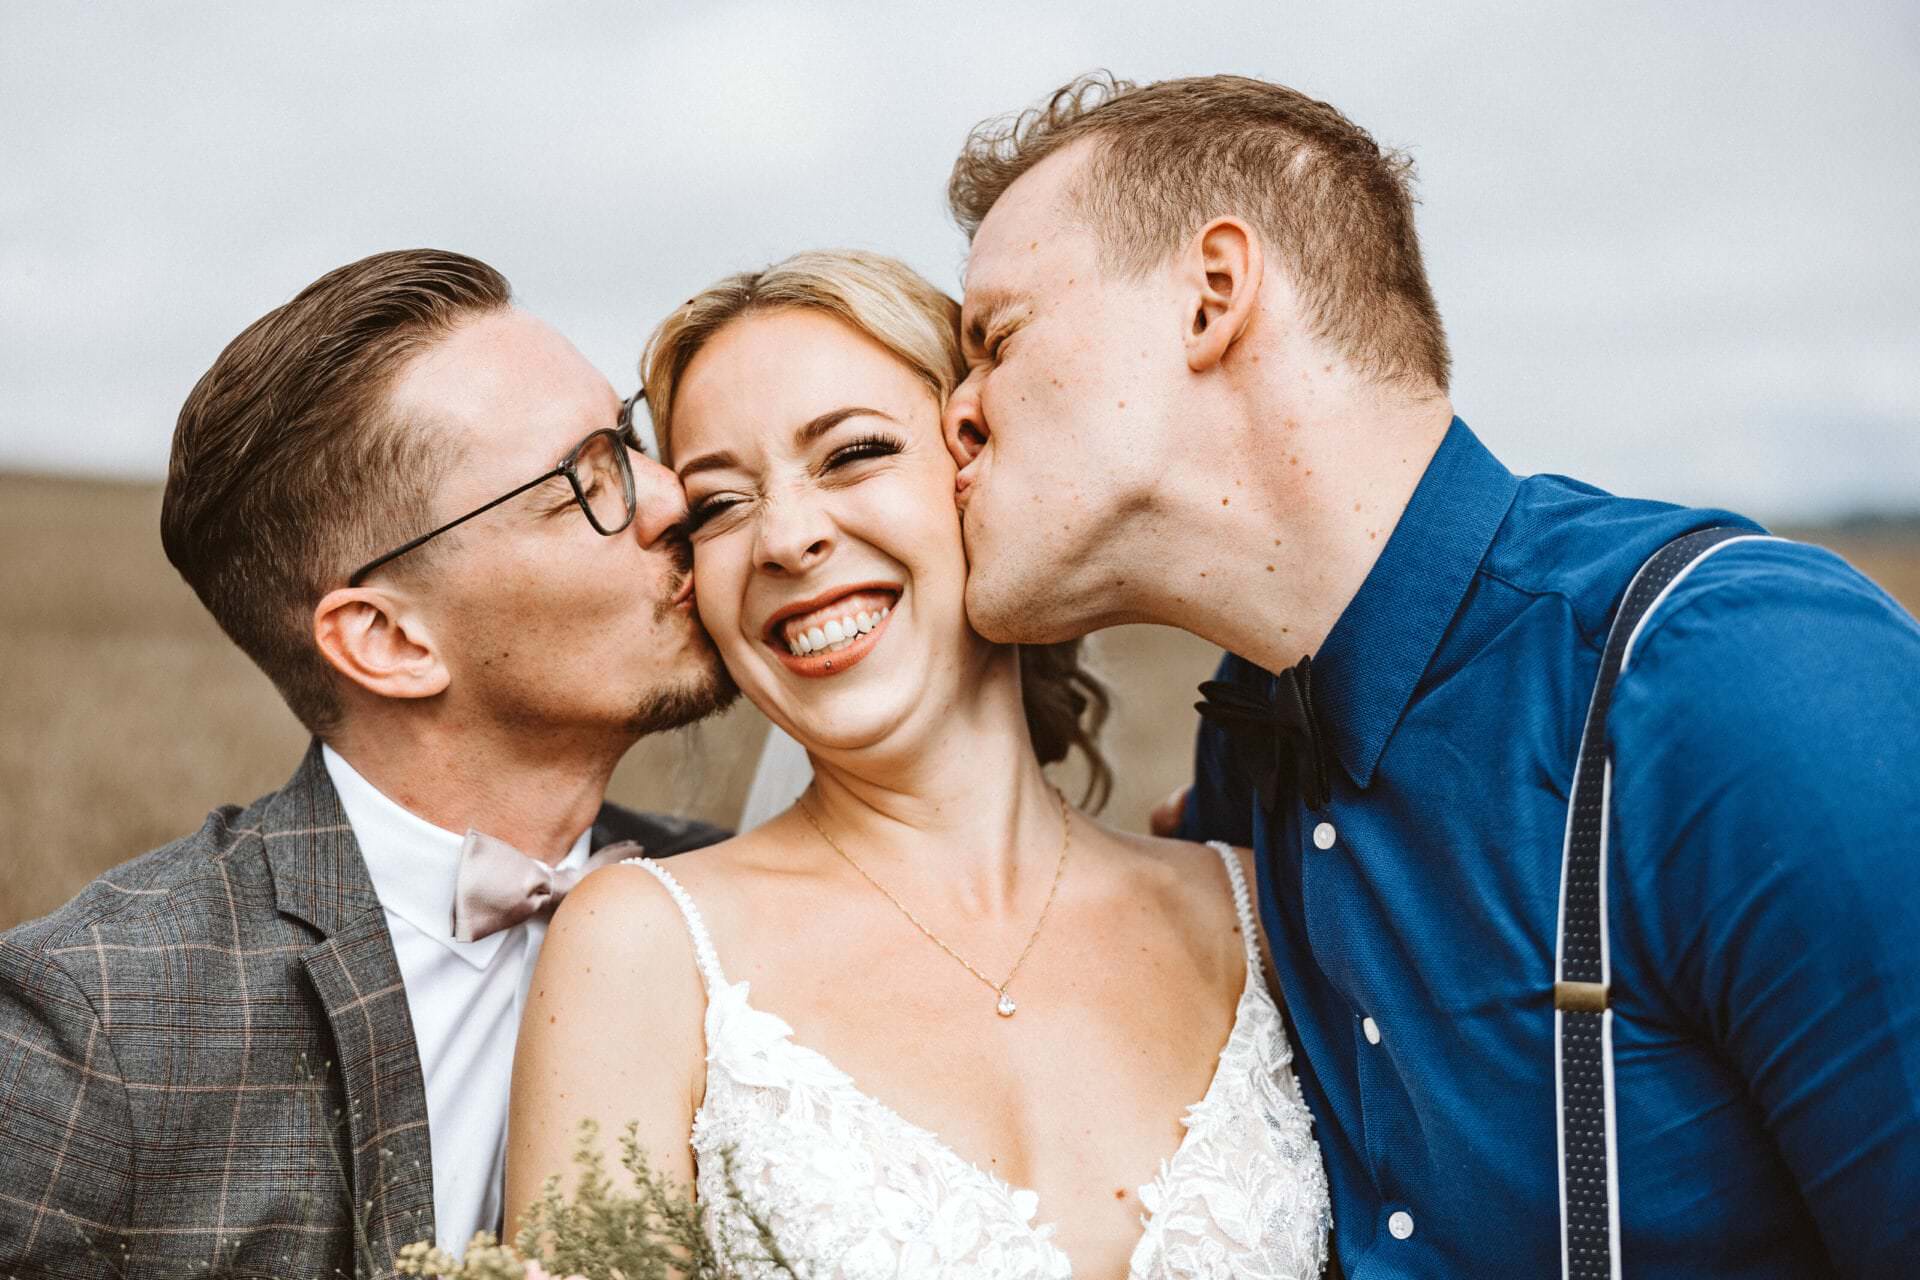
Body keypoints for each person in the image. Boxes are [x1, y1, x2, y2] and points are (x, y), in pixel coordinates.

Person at [937, 72, 1920, 1278]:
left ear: (1212, 297)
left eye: (994, 339)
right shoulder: (1242, 757)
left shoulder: (1738, 679)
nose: (959, 417)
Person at [507, 250, 1331, 1278]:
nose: (789, 537)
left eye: (852, 453)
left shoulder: (1263, 912)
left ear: (981, 466)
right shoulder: (642, 948)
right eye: (718, 504)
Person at [0, 249, 735, 1280]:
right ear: (388, 638)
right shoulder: (91, 1026)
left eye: (632, 437)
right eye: (588, 481)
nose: (673, 496)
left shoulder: (758, 910)